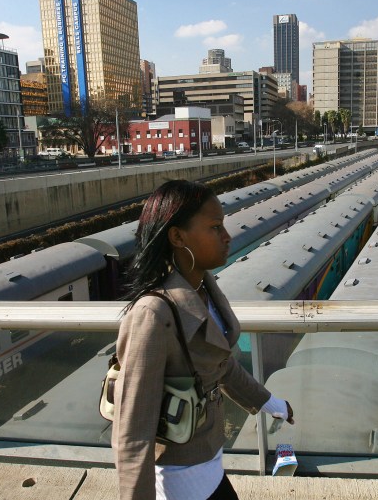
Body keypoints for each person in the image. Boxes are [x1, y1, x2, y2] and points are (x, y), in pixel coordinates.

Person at [112, 179, 295, 500]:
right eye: (214, 227)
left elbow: (220, 366)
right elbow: (133, 431)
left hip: (208, 462)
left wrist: (273, 404)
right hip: (177, 478)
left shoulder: (204, 290)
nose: (226, 237)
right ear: (177, 236)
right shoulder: (153, 314)